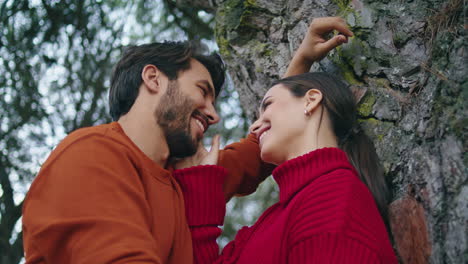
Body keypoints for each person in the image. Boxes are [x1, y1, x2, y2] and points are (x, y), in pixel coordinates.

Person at [22, 17, 353, 264]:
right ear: (153, 79)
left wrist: (301, 66)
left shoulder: (181, 178)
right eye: (202, 91)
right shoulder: (91, 155)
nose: (213, 115)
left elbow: (259, 149)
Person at [174, 73, 398, 263]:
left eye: (268, 105)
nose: (255, 125)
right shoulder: (280, 215)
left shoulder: (332, 201)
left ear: (310, 100)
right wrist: (200, 187)